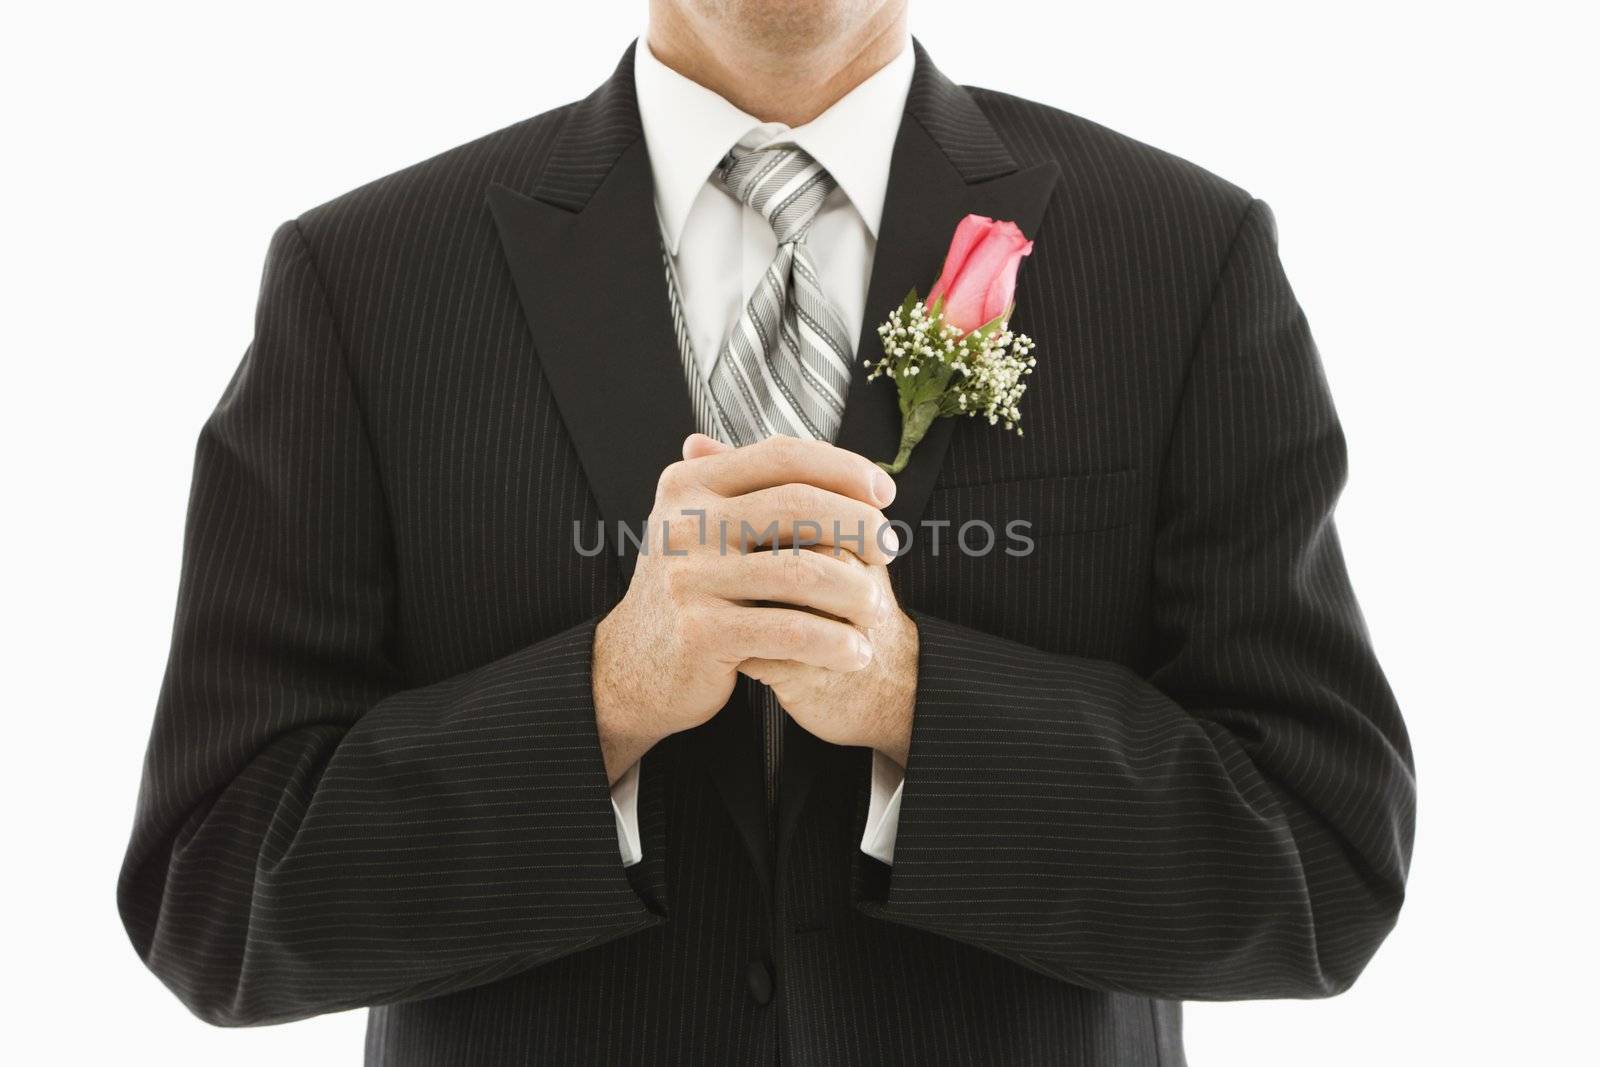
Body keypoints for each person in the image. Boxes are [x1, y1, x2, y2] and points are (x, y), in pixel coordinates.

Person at [117, 1, 1416, 1062]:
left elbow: (1322, 860)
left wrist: (918, 702)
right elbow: (211, 892)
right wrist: (603, 700)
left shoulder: (1182, 259)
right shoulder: (369, 285)